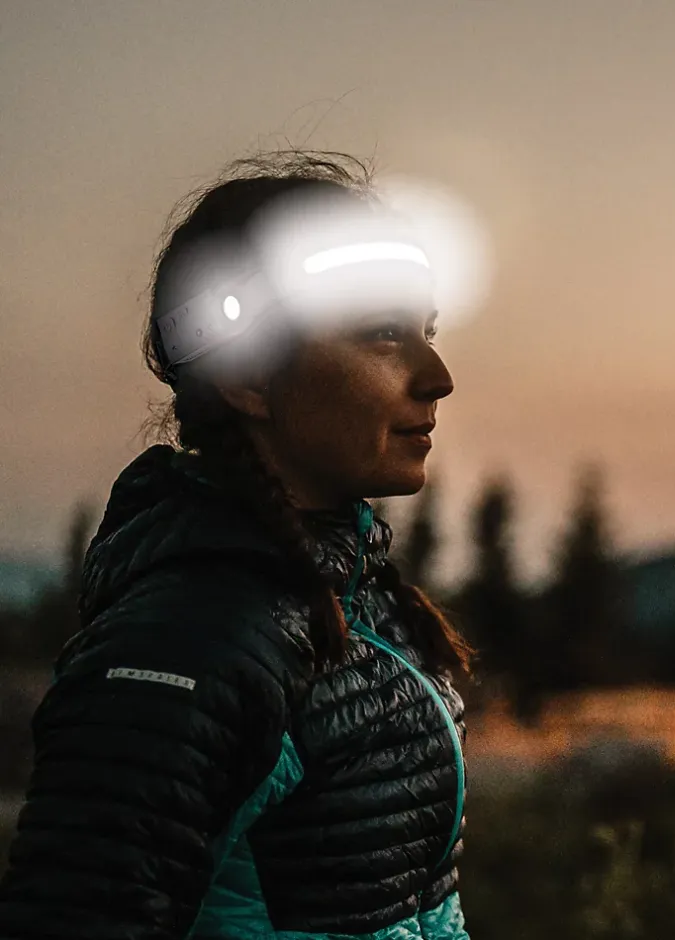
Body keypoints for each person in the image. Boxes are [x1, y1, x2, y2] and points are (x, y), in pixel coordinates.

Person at [0, 150, 477, 940]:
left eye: (426, 331)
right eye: (384, 335)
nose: (437, 375)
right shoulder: (191, 642)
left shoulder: (351, 604)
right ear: (248, 378)